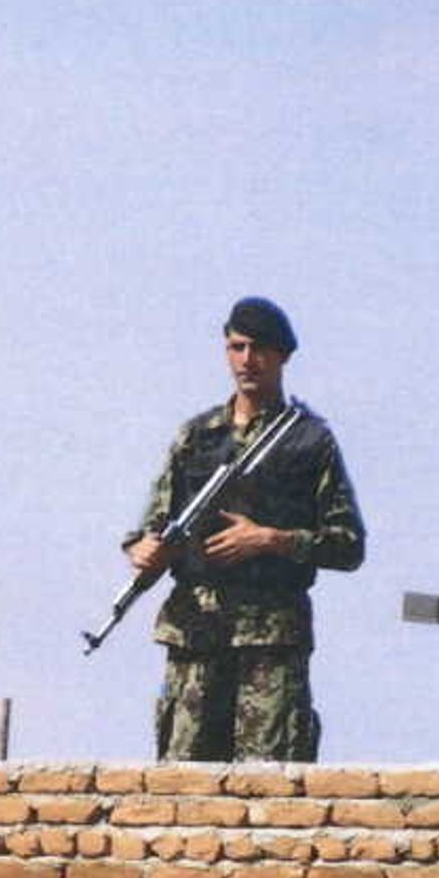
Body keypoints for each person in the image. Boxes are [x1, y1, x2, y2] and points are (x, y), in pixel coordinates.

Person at [122, 297, 365, 762]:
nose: (246, 360)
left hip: (269, 641)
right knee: (182, 787)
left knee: (269, 789)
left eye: (259, 349)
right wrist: (145, 550)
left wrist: (270, 539)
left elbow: (347, 545)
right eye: (237, 347)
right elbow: (151, 526)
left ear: (283, 355)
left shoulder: (308, 440)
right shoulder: (197, 437)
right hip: (196, 634)